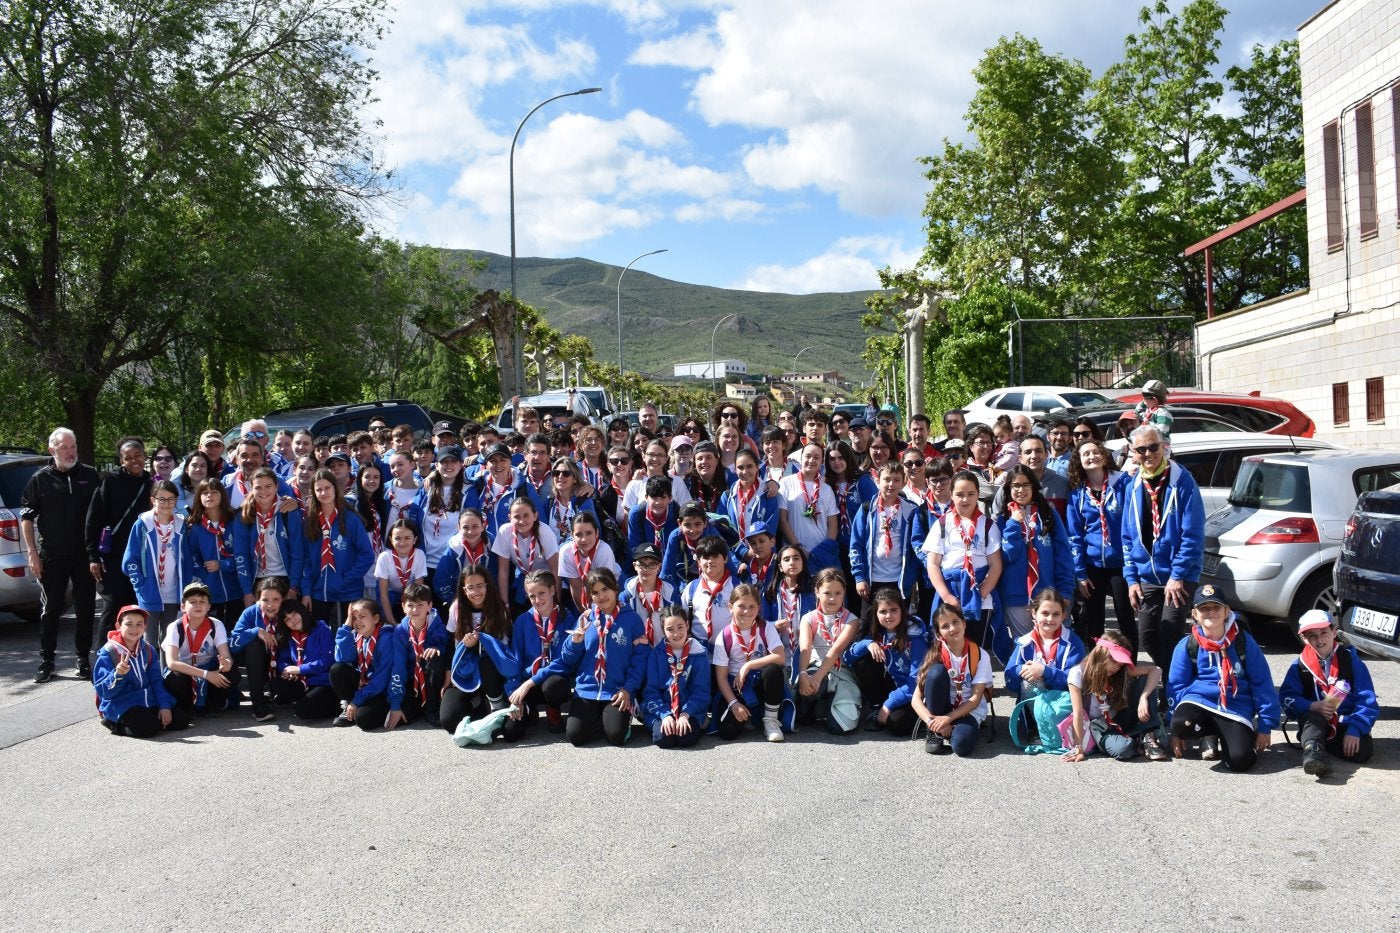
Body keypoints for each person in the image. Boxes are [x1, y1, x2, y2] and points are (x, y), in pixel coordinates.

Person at [529, 568, 647, 747]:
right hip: (587, 690)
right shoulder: (585, 619)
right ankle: (598, 717)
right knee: (576, 737)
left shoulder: (632, 620)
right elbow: (568, 661)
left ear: (615, 589)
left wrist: (628, 689)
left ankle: (625, 712)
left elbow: (639, 660)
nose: (601, 596)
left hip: (617, 690)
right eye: (595, 593)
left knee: (617, 737)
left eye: (605, 589)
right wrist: (575, 643)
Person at [1167, 585, 1280, 772]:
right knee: (1181, 723)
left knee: (1240, 761)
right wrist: (1175, 730)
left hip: (1235, 706)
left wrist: (1265, 726)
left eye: (1216, 607)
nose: (1210, 612)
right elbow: (1176, 686)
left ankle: (1234, 736)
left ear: (1227, 611)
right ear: (1195, 614)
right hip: (1200, 702)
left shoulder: (1243, 642)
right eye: (1204, 608)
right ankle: (1208, 735)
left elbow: (1262, 683)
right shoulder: (1188, 645)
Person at [1122, 424, 1205, 677]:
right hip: (1147, 575)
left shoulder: (1183, 482)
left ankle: (1174, 689)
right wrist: (1131, 579)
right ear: (1132, 452)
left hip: (1178, 574)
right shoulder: (1133, 486)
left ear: (1164, 447)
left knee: (1170, 632)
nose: (1148, 453)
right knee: (1147, 637)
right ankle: (1175, 675)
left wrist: (1178, 575)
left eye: (1153, 447)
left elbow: (1192, 535)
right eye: (1142, 449)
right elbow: (1127, 536)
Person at [22, 427, 101, 683]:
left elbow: (102, 511)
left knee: (86, 607)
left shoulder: (89, 475)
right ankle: (47, 660)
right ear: (52, 450)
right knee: (51, 609)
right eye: (64, 447)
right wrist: (33, 554)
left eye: (73, 446)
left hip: (84, 554)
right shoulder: (39, 479)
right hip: (52, 555)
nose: (70, 452)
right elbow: (26, 518)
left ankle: (82, 658)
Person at [1278, 609, 1379, 778]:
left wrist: (1355, 729)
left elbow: (1366, 699)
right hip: (1315, 720)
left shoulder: (1351, 662)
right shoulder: (1300, 666)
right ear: (1304, 639)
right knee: (1313, 718)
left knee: (1363, 752)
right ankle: (1313, 753)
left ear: (1333, 632)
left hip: (1344, 720)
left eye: (1324, 632)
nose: (1319, 640)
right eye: (1312, 635)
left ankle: (1315, 741)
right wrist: (1311, 705)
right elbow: (1287, 697)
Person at [993, 466, 1075, 661]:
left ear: (1034, 487)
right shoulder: (1001, 520)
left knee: (1053, 644)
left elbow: (1063, 554)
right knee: (1026, 646)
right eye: (1015, 486)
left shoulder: (1048, 515)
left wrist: (1065, 590)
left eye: (1025, 485)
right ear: (1008, 489)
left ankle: (1055, 686)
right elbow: (1006, 556)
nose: (1020, 490)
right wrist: (1013, 524)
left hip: (1048, 593)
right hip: (1016, 596)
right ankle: (1030, 689)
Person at [922, 470, 1002, 649]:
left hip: (979, 590)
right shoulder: (942, 524)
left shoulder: (988, 525)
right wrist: (946, 596)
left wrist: (981, 594)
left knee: (975, 646)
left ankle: (975, 676)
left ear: (978, 495)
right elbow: (933, 564)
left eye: (971, 494)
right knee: (947, 646)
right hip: (950, 589)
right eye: (959, 495)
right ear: (951, 495)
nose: (965, 499)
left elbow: (996, 565)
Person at [1062, 630, 1168, 762]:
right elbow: (1077, 712)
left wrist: (1143, 697)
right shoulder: (1078, 673)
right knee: (1123, 750)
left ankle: (1147, 734)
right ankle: (1137, 740)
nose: (1117, 667)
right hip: (1099, 726)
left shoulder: (1119, 672)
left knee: (1145, 680)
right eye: (1113, 660)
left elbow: (1156, 670)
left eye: (1121, 663)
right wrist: (1078, 748)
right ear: (1101, 652)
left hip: (1118, 717)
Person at [1066, 439, 1134, 645]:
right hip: (1092, 563)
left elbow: (1133, 525)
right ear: (1079, 461)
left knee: (1125, 615)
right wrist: (1080, 573)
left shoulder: (1123, 483)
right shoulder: (1078, 493)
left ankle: (1128, 666)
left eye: (1095, 452)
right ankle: (1098, 664)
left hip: (1121, 562)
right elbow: (1074, 535)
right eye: (1085, 454)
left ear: (1104, 455)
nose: (1091, 457)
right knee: (1093, 618)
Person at [87, 437, 153, 648]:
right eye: (128, 458)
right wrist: (93, 555)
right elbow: (93, 518)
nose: (134, 461)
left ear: (145, 456)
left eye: (138, 455)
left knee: (137, 608)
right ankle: (104, 656)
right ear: (121, 461)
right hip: (113, 556)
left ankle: (135, 656)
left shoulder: (151, 483)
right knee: (114, 605)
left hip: (141, 557)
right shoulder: (110, 481)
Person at [93, 605, 190, 737]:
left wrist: (164, 705)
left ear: (145, 627)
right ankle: (114, 724)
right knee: (148, 729)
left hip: (147, 699)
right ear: (118, 626)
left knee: (181, 720)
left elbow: (156, 680)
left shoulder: (148, 649)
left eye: (139, 624)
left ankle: (149, 720)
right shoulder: (109, 652)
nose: (134, 629)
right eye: (129, 624)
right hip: (122, 703)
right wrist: (118, 675)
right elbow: (104, 691)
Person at [910, 603, 993, 756]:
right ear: (939, 633)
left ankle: (960, 729)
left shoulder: (980, 655)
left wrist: (948, 719)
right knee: (936, 672)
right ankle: (934, 733)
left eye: (955, 622)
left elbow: (975, 699)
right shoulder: (935, 654)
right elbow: (916, 699)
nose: (952, 628)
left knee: (961, 746)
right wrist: (932, 722)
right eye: (945, 626)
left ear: (964, 623)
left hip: (969, 710)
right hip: (940, 709)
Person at [844, 586, 928, 736]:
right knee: (862, 661)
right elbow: (848, 657)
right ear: (876, 614)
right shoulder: (879, 633)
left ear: (902, 611)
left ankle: (920, 716)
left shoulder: (915, 637)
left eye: (893, 610)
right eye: (883, 611)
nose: (888, 616)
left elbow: (916, 680)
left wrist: (889, 704)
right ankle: (877, 708)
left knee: (897, 725)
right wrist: (868, 644)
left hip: (914, 691)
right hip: (893, 685)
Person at [712, 583, 788, 742]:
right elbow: (721, 678)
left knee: (773, 670)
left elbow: (780, 657)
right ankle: (748, 715)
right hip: (737, 686)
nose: (747, 611)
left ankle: (770, 720)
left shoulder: (766, 627)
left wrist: (748, 665)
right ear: (730, 607)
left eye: (752, 606)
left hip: (760, 682)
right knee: (728, 732)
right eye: (741, 606)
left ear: (758, 608)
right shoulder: (724, 636)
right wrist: (734, 704)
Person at [301, 469, 375, 628]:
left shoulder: (350, 519)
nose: (323, 492)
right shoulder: (310, 522)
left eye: (327, 488)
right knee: (320, 638)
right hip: (318, 593)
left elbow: (367, 555)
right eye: (318, 489)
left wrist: (345, 579)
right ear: (313, 493)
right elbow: (306, 559)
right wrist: (306, 590)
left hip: (347, 592)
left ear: (335, 488)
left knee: (345, 638)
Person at [508, 570, 578, 734]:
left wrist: (529, 683)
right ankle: (529, 708)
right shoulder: (522, 621)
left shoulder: (568, 620)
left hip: (552, 682)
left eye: (541, 593)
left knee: (554, 685)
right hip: (528, 682)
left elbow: (564, 662)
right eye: (532, 596)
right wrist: (514, 692)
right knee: (511, 733)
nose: (537, 600)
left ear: (552, 590)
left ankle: (552, 708)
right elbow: (515, 659)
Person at [122, 479, 192, 639]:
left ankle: (166, 666)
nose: (166, 504)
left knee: (170, 640)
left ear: (176, 500)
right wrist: (140, 584)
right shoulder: (142, 524)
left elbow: (187, 558)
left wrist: (186, 586)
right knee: (149, 640)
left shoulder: (181, 525)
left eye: (170, 499)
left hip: (174, 592)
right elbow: (130, 560)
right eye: (161, 499)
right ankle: (149, 665)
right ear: (153, 500)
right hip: (150, 592)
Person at [796, 568, 861, 733]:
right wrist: (803, 674)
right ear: (817, 592)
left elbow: (836, 650)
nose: (832, 598)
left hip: (841, 671)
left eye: (838, 593)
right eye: (827, 593)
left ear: (844, 593)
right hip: (814, 667)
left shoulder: (851, 620)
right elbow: (805, 648)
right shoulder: (808, 618)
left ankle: (830, 702)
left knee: (839, 729)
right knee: (810, 687)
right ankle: (808, 706)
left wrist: (817, 678)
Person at [160, 582, 239, 718]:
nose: (198, 605)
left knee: (232, 675)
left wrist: (226, 663)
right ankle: (186, 706)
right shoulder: (175, 627)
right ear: (183, 607)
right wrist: (205, 674)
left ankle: (213, 703)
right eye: (193, 601)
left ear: (208, 606)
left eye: (203, 601)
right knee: (173, 678)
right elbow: (172, 663)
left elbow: (226, 655)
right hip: (186, 671)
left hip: (209, 668)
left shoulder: (216, 624)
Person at [849, 462, 920, 611]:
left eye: (896, 480)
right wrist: (859, 577)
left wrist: (911, 577)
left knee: (897, 626)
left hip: (900, 581)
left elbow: (916, 546)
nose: (891, 484)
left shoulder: (911, 510)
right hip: (872, 581)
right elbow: (856, 544)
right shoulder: (867, 509)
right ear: (877, 481)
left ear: (903, 482)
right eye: (887, 479)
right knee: (869, 628)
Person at [642, 604, 712, 748]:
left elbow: (701, 692)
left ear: (687, 625)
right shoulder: (656, 654)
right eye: (670, 629)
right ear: (663, 631)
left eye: (680, 627)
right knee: (663, 739)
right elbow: (651, 691)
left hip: (689, 709)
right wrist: (665, 715)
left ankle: (701, 720)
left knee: (686, 738)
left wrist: (686, 713)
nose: (676, 633)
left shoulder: (699, 654)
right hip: (663, 708)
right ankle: (653, 720)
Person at [232, 467, 304, 607]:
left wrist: (293, 586)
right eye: (258, 487)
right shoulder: (245, 515)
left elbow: (297, 551)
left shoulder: (288, 510)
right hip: (257, 579)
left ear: (277, 486)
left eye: (268, 486)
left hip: (285, 578)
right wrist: (247, 591)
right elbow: (241, 555)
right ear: (251, 488)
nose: (263, 492)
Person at [330, 599, 405, 731]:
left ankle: (358, 707)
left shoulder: (387, 639)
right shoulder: (357, 636)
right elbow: (342, 657)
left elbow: (382, 678)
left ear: (376, 619)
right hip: (365, 684)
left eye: (362, 616)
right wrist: (347, 625)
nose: (357, 621)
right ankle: (349, 707)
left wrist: (357, 700)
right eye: (354, 617)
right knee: (337, 669)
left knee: (364, 720)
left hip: (383, 690)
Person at [1003, 589, 1085, 703]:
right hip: (1034, 706)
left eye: (1056, 614)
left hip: (1064, 704)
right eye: (1045, 613)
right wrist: (1021, 670)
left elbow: (1077, 681)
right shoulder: (1024, 643)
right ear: (1034, 613)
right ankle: (1033, 721)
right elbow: (1010, 681)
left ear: (1063, 616)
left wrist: (1044, 672)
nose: (1050, 619)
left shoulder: (1073, 643)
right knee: (1029, 682)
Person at [264, 600, 339, 721]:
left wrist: (300, 669)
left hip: (323, 682)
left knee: (302, 711)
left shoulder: (321, 629)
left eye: (294, 614)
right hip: (303, 681)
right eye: (287, 619)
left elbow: (327, 660)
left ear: (303, 611)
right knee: (275, 683)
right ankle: (305, 699)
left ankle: (337, 708)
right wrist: (287, 670)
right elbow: (283, 659)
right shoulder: (290, 635)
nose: (292, 620)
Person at [185, 479, 242, 624]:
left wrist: (223, 565)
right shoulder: (196, 527)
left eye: (214, 492)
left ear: (222, 495)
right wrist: (204, 574)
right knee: (213, 632)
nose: (209, 495)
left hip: (236, 589)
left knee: (234, 630)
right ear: (199, 497)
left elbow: (244, 554)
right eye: (205, 493)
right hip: (210, 593)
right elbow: (192, 555)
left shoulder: (234, 521)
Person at [492, 496, 560, 614]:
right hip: (525, 580)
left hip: (547, 582)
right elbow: (503, 571)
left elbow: (556, 569)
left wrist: (557, 602)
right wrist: (505, 605)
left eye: (526, 515)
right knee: (516, 612)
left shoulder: (544, 531)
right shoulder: (505, 532)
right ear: (509, 518)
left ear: (535, 515)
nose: (522, 521)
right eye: (517, 517)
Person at [394, 582, 450, 727]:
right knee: (403, 718)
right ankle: (418, 705)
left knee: (435, 660)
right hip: (411, 679)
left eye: (420, 605)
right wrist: (395, 703)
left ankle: (431, 708)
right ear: (403, 607)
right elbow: (399, 665)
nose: (415, 609)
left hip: (430, 678)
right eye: (410, 605)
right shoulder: (400, 631)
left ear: (429, 606)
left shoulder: (438, 626)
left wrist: (438, 649)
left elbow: (447, 648)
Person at [778, 444, 839, 574]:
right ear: (801, 458)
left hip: (820, 555)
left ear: (822, 462)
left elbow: (833, 524)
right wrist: (798, 548)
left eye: (816, 457)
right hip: (795, 554)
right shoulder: (786, 483)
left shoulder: (827, 489)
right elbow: (783, 520)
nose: (811, 460)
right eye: (808, 456)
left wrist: (825, 550)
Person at [375, 519, 426, 624]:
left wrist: (410, 622)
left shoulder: (420, 555)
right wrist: (391, 621)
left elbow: (417, 591)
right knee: (386, 620)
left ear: (415, 539)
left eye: (407, 538)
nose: (402, 543)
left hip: (410, 593)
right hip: (390, 593)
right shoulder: (384, 557)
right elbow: (383, 594)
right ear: (390, 539)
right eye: (397, 538)